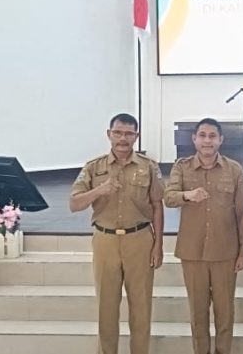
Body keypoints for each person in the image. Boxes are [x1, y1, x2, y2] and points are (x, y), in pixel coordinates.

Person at [70, 113, 164, 354]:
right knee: (106, 308)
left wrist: (158, 245)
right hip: (106, 241)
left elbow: (157, 205)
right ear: (109, 134)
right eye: (118, 133)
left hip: (140, 240)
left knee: (141, 308)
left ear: (136, 136)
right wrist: (99, 190)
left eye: (129, 134)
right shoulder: (94, 167)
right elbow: (74, 204)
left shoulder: (149, 167)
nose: (123, 138)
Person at [165, 117, 243, 354]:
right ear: (194, 139)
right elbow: (168, 197)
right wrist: (187, 195)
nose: (207, 141)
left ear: (221, 140)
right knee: (198, 313)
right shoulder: (182, 167)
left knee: (225, 313)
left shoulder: (234, 170)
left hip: (225, 252)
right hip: (192, 253)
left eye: (212, 136)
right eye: (202, 136)